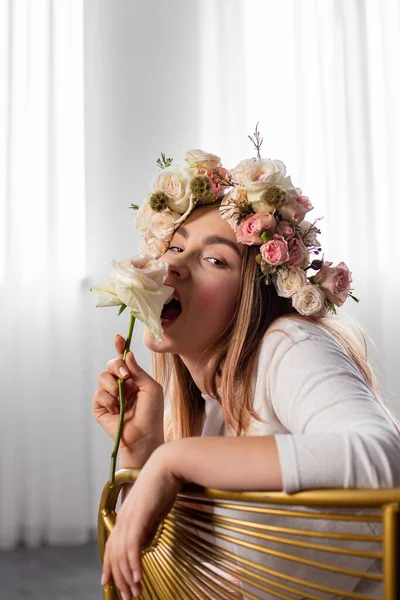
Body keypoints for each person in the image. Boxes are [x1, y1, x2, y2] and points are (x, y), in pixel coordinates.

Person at [93, 146, 400, 599]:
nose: (173, 265)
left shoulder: (288, 345)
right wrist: (144, 449)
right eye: (175, 246)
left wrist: (170, 462)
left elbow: (384, 457)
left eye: (215, 260)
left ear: (251, 299)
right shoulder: (211, 407)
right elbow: (158, 586)